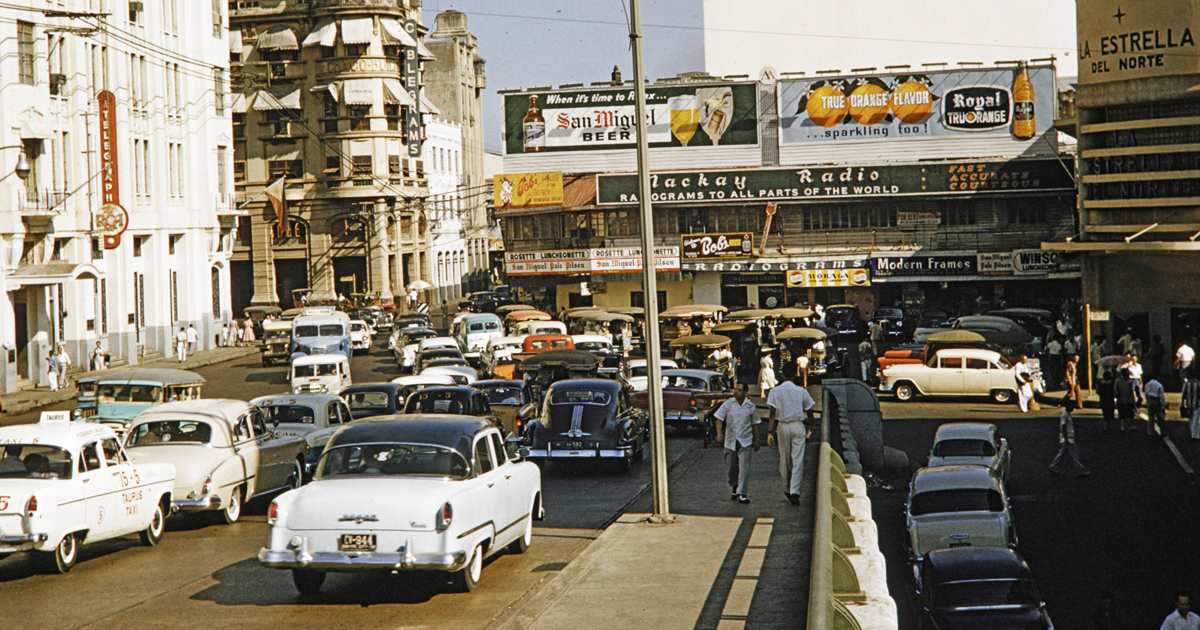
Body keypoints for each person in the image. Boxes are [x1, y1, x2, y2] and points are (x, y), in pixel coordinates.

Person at [766, 362, 815, 505]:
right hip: (798, 425)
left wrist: (769, 432)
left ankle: (786, 487)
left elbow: (772, 412)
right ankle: (795, 490)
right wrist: (811, 424)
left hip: (782, 426)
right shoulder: (801, 391)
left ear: (782, 374)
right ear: (795, 374)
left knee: (785, 459)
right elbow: (809, 409)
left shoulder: (775, 391)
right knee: (798, 459)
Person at [714, 382, 760, 504]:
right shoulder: (728, 404)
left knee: (744, 468)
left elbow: (755, 424)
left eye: (739, 390)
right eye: (735, 389)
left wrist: (757, 440)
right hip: (730, 440)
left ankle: (742, 493)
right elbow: (719, 419)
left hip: (745, 440)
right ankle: (734, 486)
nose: (736, 392)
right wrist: (719, 433)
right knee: (731, 468)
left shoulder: (750, 406)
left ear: (745, 392)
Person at [1049, 398, 1088, 475]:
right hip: (1068, 436)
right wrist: (1066, 438)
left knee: (1062, 453)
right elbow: (1063, 426)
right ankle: (1080, 469)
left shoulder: (1067, 414)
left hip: (1068, 436)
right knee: (1074, 454)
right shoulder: (1065, 415)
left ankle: (1053, 465)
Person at [1097, 370, 1117, 434]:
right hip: (1110, 399)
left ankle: (1105, 426)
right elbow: (1114, 391)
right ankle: (1109, 426)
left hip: (1103, 399)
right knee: (1110, 413)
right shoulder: (1111, 383)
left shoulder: (1100, 382)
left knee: (1105, 413)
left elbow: (1097, 391)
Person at [1183, 372, 1200, 441]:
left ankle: (1192, 433)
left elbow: (1184, 394)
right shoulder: (1198, 383)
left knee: (1191, 418)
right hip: (1197, 404)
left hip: (1189, 403)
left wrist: (1183, 403)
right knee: (1196, 419)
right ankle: (1195, 434)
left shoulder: (1187, 384)